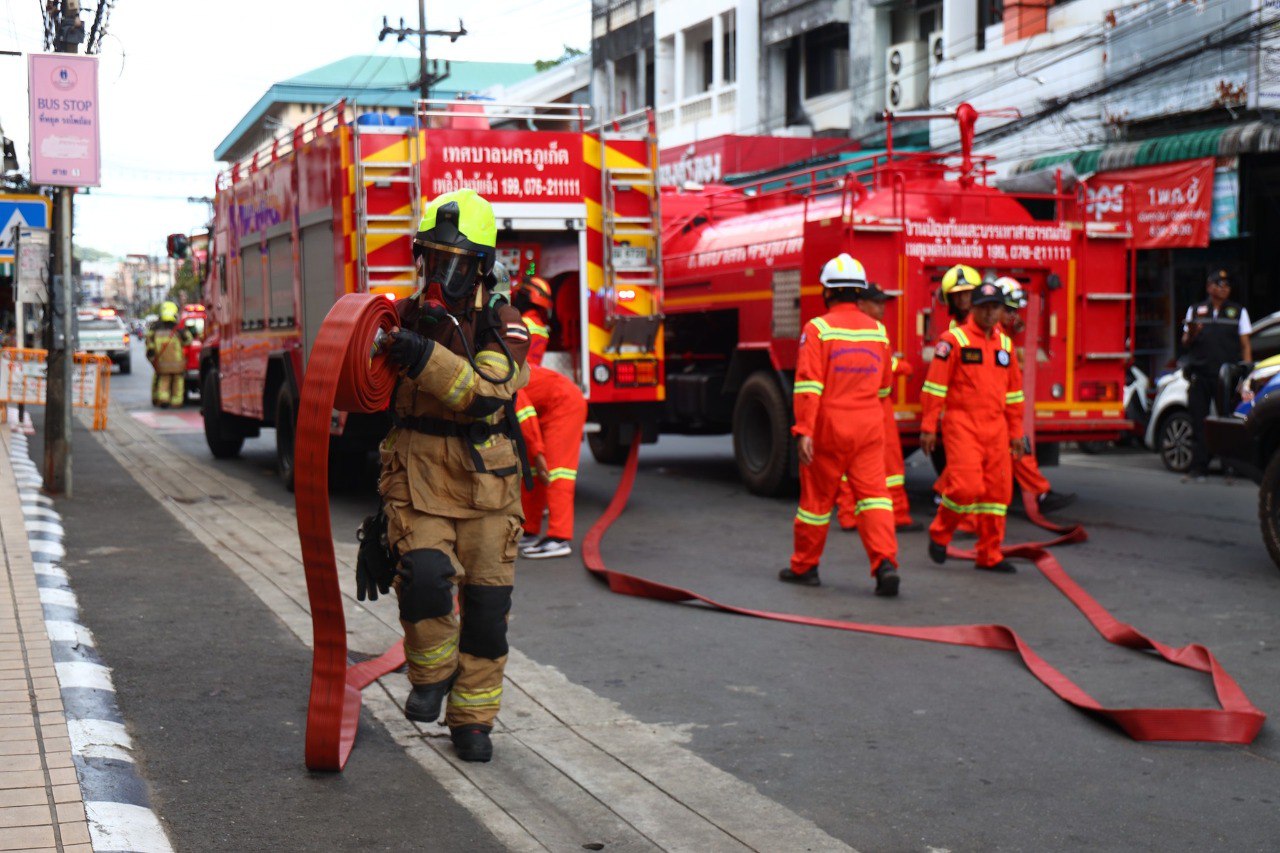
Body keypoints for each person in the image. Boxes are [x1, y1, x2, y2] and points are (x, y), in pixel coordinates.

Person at [367, 188, 532, 763]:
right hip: (415, 482)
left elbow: (485, 395)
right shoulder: (400, 318)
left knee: (487, 617)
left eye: (456, 263)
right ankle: (430, 677)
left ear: (482, 267)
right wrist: (376, 517)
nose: (441, 275)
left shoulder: (504, 325)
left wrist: (422, 356)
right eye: (434, 259)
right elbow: (369, 401)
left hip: (488, 490)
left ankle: (473, 721)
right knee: (425, 579)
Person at [780, 253, 900, 596]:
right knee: (875, 497)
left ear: (827, 292)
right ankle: (885, 564)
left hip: (829, 427)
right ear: (859, 293)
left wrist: (804, 430)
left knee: (816, 503)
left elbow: (808, 385)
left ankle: (805, 567)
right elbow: (885, 386)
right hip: (869, 426)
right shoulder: (878, 331)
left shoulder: (817, 329)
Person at [920, 281, 1025, 573]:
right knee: (966, 487)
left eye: (996, 308)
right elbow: (935, 387)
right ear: (973, 309)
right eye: (985, 308)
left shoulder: (1006, 345)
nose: (991, 314)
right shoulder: (953, 341)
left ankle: (989, 554)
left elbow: (1015, 395)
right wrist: (929, 427)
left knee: (997, 494)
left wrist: (1017, 434)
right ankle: (941, 532)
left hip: (997, 427)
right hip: (962, 423)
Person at [836, 284, 920, 531]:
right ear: (861, 304)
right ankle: (897, 515)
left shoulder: (851, 327)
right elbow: (882, 366)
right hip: (876, 405)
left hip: (853, 404)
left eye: (883, 302)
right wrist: (904, 368)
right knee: (890, 463)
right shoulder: (873, 330)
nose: (882, 308)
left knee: (851, 463)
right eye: (877, 303)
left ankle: (850, 514)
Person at [996, 277, 1075, 513]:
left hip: (999, 410)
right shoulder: (994, 338)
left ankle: (1041, 493)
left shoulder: (999, 334)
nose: (1013, 315)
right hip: (990, 411)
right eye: (1009, 310)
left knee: (1016, 451)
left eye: (1015, 310)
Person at [1182, 269, 1252, 482]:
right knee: (1199, 421)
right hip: (1200, 374)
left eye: (1227, 285)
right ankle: (1198, 468)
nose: (1223, 288)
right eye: (1219, 284)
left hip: (1226, 377)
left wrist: (1246, 373)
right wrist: (1192, 332)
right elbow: (1185, 341)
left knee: (1227, 423)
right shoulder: (1195, 311)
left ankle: (1229, 468)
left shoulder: (1238, 312)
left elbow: (1245, 345)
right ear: (1209, 287)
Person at [515, 364, 588, 559]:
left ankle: (559, 538)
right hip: (546, 408)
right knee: (529, 474)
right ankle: (529, 531)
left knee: (557, 473)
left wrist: (538, 453)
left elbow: (524, 415)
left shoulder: (499, 373)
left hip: (564, 405)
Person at [145, 301, 192, 408]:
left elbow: (149, 344)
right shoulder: (179, 329)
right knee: (178, 381)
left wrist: (152, 357)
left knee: (163, 380)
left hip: (162, 362)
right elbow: (188, 340)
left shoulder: (155, 328)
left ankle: (163, 399)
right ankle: (176, 402)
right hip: (177, 362)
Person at [512, 274, 553, 367]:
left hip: (517, 376)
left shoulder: (520, 324)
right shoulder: (541, 327)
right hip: (531, 375)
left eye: (519, 295)